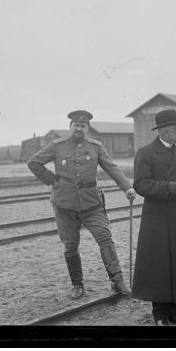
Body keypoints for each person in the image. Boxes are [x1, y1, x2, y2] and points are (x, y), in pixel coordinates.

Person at [27, 110, 136, 299]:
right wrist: (53, 181)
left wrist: (127, 187)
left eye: (83, 126)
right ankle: (77, 285)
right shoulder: (56, 146)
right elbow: (34, 162)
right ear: (70, 127)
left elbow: (111, 167)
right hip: (64, 204)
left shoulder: (96, 147)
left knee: (105, 237)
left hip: (91, 203)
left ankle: (117, 280)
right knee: (70, 245)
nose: (79, 129)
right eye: (76, 125)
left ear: (87, 128)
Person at [131, 110, 176, 325]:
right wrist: (168, 187)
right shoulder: (145, 153)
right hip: (156, 219)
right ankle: (160, 314)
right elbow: (140, 184)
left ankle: (173, 313)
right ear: (163, 131)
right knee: (159, 263)